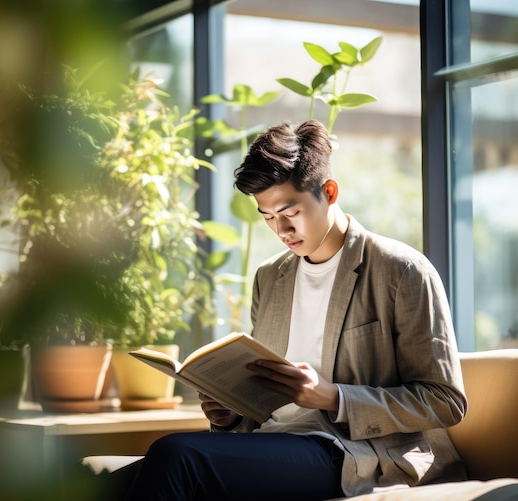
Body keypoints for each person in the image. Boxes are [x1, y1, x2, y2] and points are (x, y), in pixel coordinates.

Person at [102, 119, 468, 500]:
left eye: (290, 213)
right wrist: (229, 415)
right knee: (104, 479)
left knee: (175, 454)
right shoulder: (270, 277)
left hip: (350, 451)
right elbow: (263, 398)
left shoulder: (400, 270)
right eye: (268, 217)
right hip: (274, 443)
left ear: (329, 191)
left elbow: (445, 400)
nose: (281, 230)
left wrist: (333, 397)